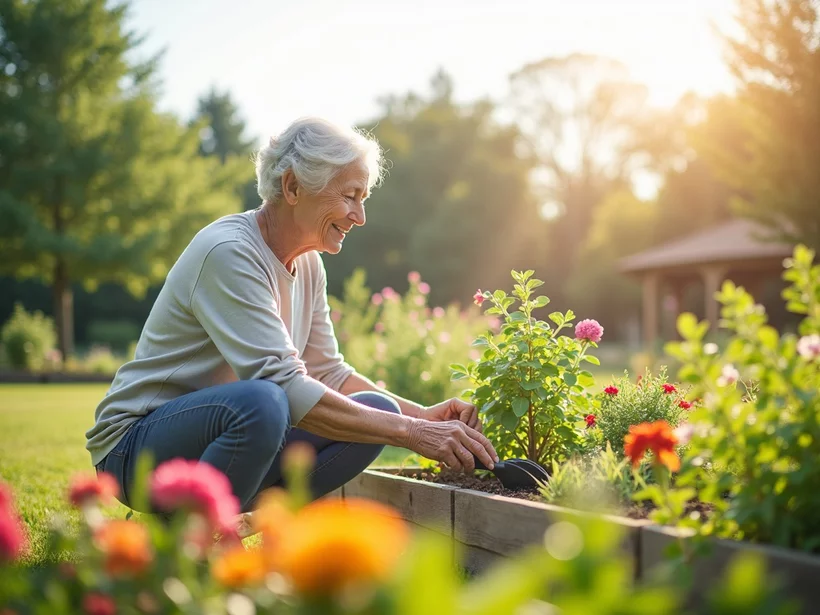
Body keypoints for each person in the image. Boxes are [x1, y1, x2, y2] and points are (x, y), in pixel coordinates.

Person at [85, 117, 498, 519]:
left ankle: (222, 522)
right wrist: (411, 433)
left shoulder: (310, 264)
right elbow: (280, 382)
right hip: (132, 449)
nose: (359, 216)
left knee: (375, 408)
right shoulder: (229, 252)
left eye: (363, 199)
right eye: (350, 196)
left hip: (213, 438)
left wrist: (420, 417)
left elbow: (327, 372)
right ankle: (193, 537)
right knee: (264, 401)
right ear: (293, 187)